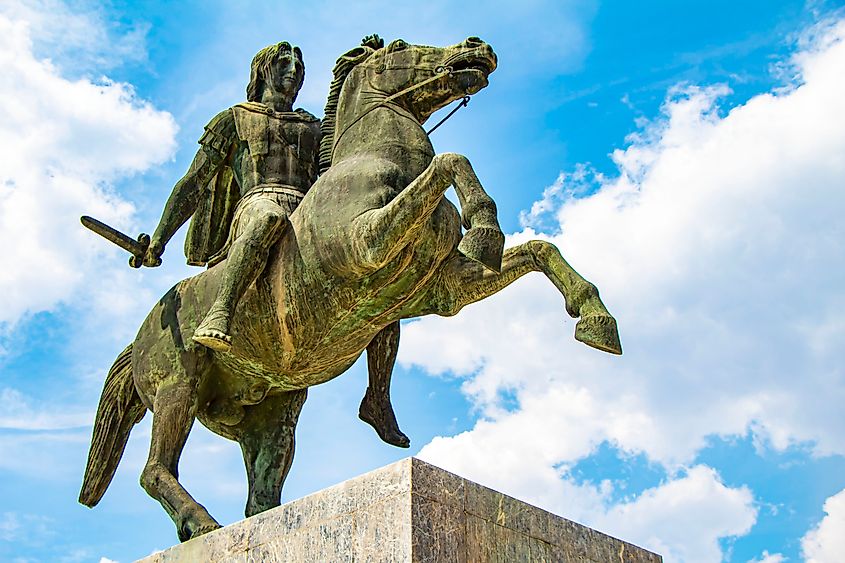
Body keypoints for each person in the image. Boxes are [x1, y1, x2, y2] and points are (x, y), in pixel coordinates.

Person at [144, 41, 321, 352]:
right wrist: (160, 239)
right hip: (258, 203)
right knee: (269, 217)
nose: (293, 70)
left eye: (298, 66)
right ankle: (220, 313)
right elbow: (193, 183)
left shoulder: (314, 127)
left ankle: (377, 392)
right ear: (262, 72)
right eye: (283, 62)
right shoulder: (234, 118)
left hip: (307, 210)